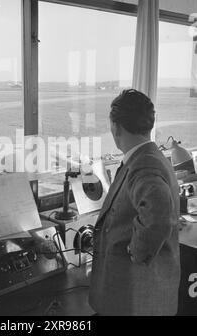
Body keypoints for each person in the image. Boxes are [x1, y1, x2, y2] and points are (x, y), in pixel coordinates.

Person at [89, 89, 180, 316]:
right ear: (148, 124)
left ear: (116, 127)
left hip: (135, 300)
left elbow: (158, 216)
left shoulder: (144, 164)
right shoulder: (150, 156)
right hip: (141, 297)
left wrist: (135, 251)